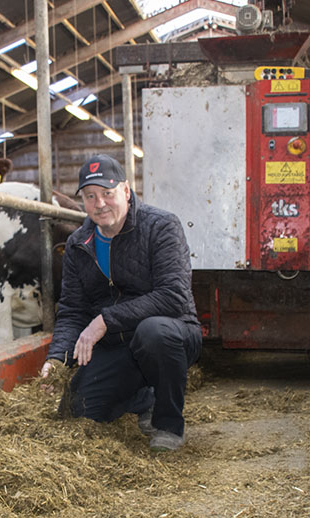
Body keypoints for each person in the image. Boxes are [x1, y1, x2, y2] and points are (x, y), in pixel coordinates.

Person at [39, 154, 202, 451]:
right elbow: (73, 309)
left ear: (126, 191)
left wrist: (105, 320)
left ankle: (168, 424)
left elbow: (174, 296)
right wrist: (58, 358)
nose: (99, 203)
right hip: (116, 345)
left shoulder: (161, 226)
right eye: (90, 196)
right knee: (78, 410)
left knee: (154, 333)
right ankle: (144, 397)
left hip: (171, 334)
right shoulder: (78, 244)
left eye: (107, 193)